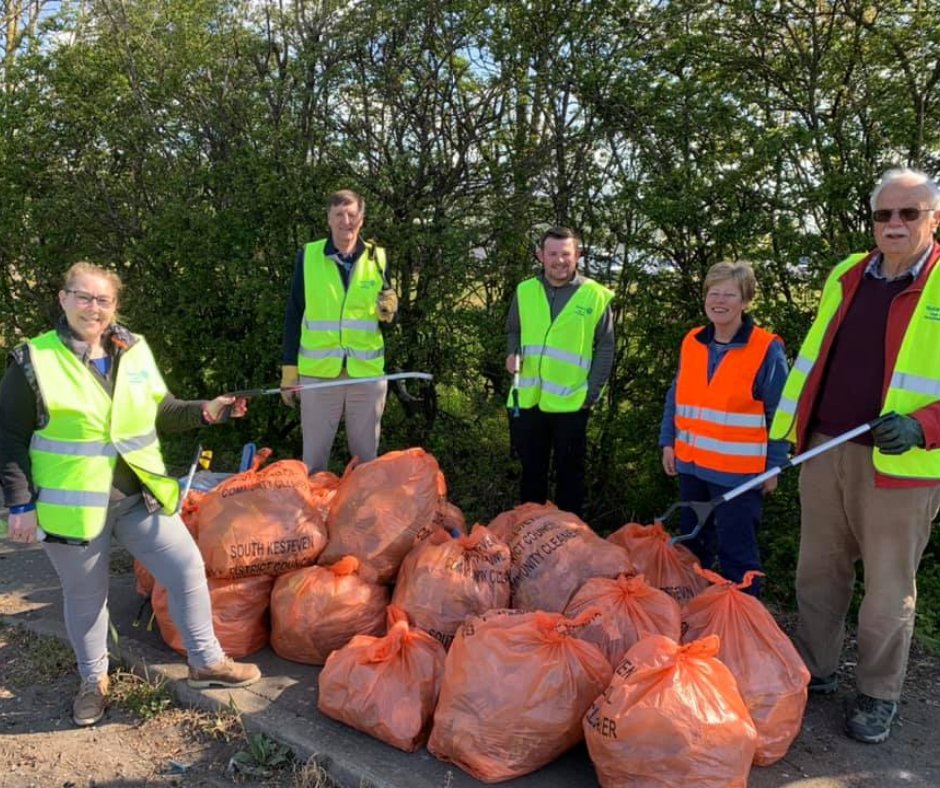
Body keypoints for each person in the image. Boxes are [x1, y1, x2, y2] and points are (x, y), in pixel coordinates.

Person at [0, 262, 261, 728]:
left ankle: (206, 661)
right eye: (83, 297)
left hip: (137, 496)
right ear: (63, 299)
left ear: (115, 306)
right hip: (71, 509)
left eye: (103, 300)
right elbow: (9, 437)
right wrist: (19, 505)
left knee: (185, 566)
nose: (92, 308)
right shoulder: (32, 361)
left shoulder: (133, 349)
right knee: (87, 598)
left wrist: (207, 411)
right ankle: (92, 681)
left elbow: (161, 408)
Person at [769, 168, 940, 744]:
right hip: (825, 448)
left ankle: (877, 693)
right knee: (818, 572)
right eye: (884, 215)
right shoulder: (846, 272)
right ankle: (813, 671)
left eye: (908, 214)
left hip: (901, 467)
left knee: (889, 590)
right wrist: (786, 431)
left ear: (932, 218)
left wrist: (924, 426)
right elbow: (813, 359)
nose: (894, 224)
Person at [659, 261, 788, 597]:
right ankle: (694, 615)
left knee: (738, 556)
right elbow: (676, 395)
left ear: (745, 301)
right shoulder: (692, 341)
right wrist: (667, 442)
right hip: (691, 466)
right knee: (691, 547)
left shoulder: (766, 348)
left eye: (729, 294)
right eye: (713, 293)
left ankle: (746, 628)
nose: (719, 300)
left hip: (739, 475)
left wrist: (775, 465)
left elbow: (782, 413)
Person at [281, 189, 398, 472]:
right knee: (314, 462)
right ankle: (311, 515)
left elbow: (385, 311)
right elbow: (294, 314)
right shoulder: (309, 256)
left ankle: (360, 516)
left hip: (366, 375)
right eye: (339, 215)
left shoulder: (377, 257)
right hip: (319, 375)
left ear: (362, 218)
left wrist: (390, 309)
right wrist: (289, 369)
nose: (346, 221)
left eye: (352, 214)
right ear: (329, 219)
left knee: (366, 464)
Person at [504, 226, 615, 519]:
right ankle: (529, 536)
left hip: (572, 403)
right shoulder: (525, 290)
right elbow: (513, 331)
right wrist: (512, 353)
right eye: (552, 253)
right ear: (541, 256)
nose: (559, 260)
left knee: (570, 480)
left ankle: (570, 543)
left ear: (577, 255)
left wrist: (590, 395)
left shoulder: (594, 295)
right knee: (532, 476)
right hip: (529, 400)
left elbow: (605, 347)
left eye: (566, 254)